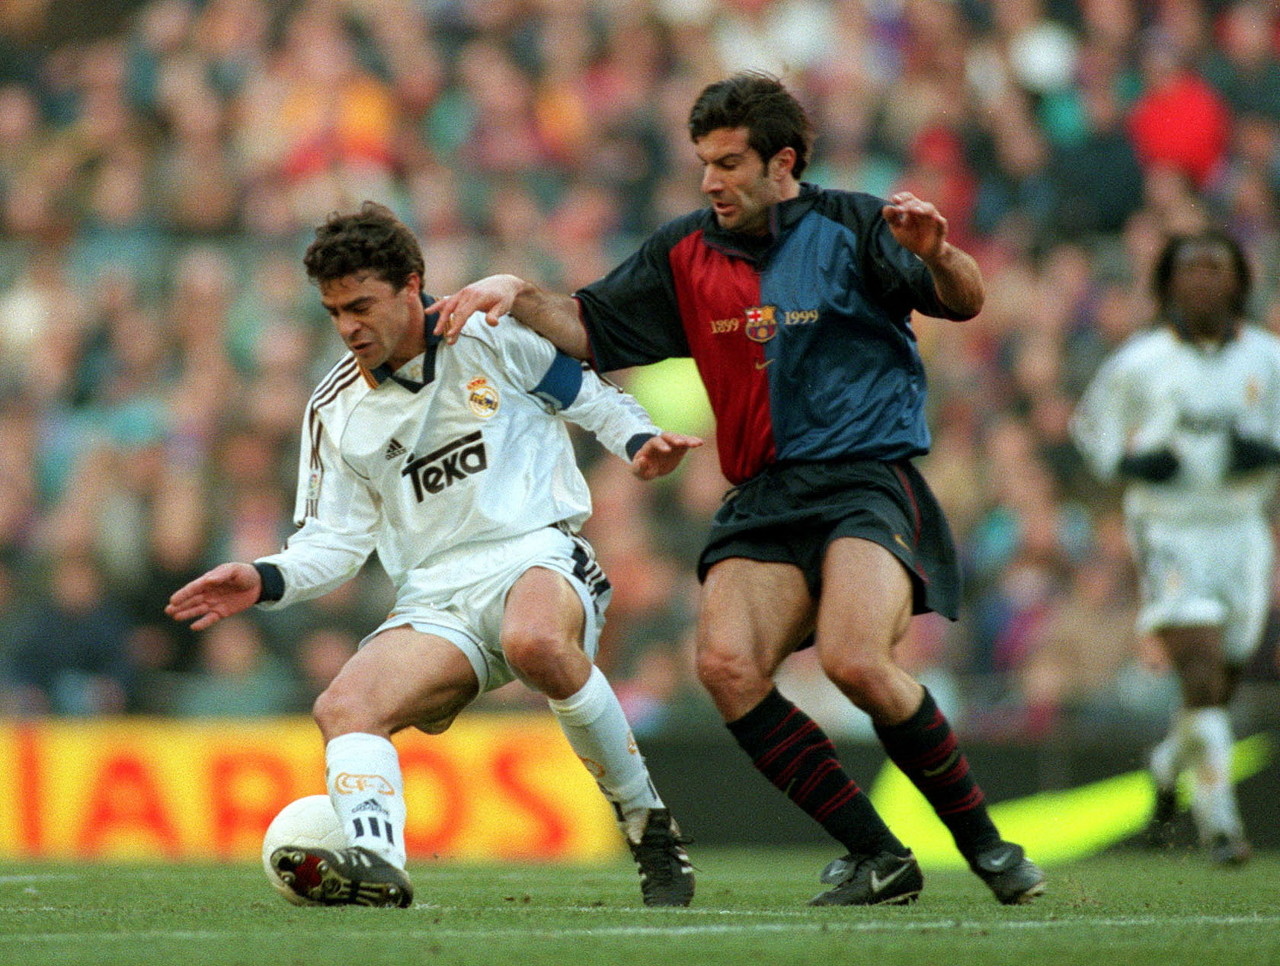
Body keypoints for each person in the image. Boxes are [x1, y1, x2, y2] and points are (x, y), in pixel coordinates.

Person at [429, 71, 1045, 907]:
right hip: (763, 494)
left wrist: (937, 252)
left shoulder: (858, 224)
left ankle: (987, 846)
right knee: (725, 667)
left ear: (781, 162)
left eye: (727, 164)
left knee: (856, 661)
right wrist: (518, 293)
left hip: (863, 480)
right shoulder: (683, 251)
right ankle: (879, 855)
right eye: (703, 164)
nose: (710, 181)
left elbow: (964, 301)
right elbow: (591, 329)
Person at [166, 201, 702, 907]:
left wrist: (639, 441)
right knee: (344, 707)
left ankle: (649, 828)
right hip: (436, 597)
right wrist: (265, 577)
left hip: (535, 552)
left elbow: (588, 396)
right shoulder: (335, 408)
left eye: (361, 306)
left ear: (411, 286)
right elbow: (336, 542)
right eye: (334, 312)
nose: (348, 327)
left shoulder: (486, 335)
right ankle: (378, 864)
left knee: (537, 641)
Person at [1071, 228, 1280, 866]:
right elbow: (1091, 429)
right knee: (1199, 668)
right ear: (1167, 284)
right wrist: (1130, 464)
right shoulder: (1139, 362)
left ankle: (1166, 766)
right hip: (1169, 530)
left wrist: (1267, 452)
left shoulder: (1268, 358)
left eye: (1215, 267)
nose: (1202, 279)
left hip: (1242, 529)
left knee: (1219, 683)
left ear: (1239, 281)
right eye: (1189, 268)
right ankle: (1221, 827)